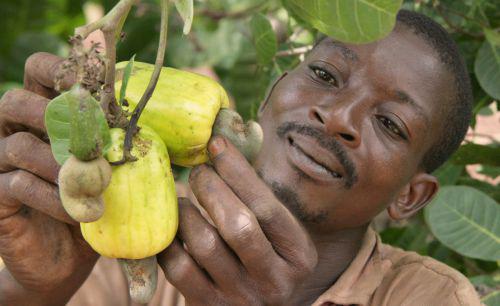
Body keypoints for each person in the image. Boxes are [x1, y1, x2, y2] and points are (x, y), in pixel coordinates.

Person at [0, 9, 482, 306]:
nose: (337, 117)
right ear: (272, 86)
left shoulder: (432, 297)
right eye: (325, 74)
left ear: (411, 196)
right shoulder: (122, 230)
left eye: (391, 124)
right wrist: (38, 291)